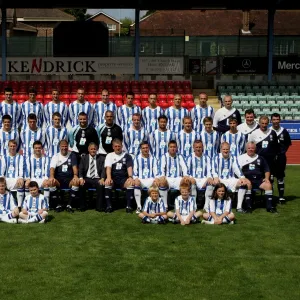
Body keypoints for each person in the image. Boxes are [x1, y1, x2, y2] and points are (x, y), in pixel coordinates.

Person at [210, 142, 251, 213]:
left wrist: (242, 177)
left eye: (227, 149)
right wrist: (216, 177)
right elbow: (214, 169)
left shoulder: (233, 157)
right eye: (224, 149)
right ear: (221, 149)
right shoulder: (216, 157)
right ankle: (217, 206)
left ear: (229, 149)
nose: (225, 151)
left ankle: (239, 207)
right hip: (220, 179)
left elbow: (236, 168)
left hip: (231, 179)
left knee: (242, 183)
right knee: (216, 183)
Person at [238, 141, 277, 213]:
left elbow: (267, 169)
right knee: (248, 184)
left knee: (268, 185)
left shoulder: (260, 158)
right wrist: (242, 178)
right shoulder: (241, 158)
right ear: (246, 149)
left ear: (255, 149)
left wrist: (267, 178)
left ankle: (270, 207)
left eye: (252, 148)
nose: (250, 149)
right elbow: (237, 170)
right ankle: (249, 207)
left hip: (259, 180)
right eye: (249, 148)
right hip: (247, 180)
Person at [157, 140, 192, 210]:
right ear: (168, 148)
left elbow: (185, 167)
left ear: (176, 148)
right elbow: (161, 168)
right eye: (171, 147)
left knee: (186, 181)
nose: (173, 148)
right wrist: (162, 177)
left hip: (178, 178)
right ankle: (165, 206)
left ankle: (186, 204)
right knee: (162, 182)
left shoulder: (180, 156)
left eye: (174, 147)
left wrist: (185, 176)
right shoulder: (164, 156)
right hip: (168, 178)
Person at [104, 138, 135, 213]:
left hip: (123, 178)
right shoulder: (109, 155)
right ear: (113, 147)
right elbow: (108, 168)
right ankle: (109, 206)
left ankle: (129, 206)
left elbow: (129, 167)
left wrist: (130, 177)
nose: (117, 148)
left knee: (130, 183)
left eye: (119, 146)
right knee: (107, 182)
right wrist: (108, 177)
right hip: (113, 178)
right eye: (116, 146)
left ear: (122, 146)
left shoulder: (127, 156)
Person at [48, 139, 79, 212]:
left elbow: (75, 167)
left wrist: (75, 175)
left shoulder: (72, 155)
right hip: (59, 180)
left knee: (76, 182)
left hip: (69, 180)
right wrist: (52, 177)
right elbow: (52, 168)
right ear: (59, 147)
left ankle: (69, 205)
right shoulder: (56, 156)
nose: (64, 148)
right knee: (51, 182)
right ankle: (58, 204)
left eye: (65, 146)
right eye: (62, 146)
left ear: (68, 147)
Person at [248, 115, 280, 183]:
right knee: (257, 178)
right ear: (259, 123)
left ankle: (269, 193)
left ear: (268, 123)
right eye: (262, 123)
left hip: (270, 161)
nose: (264, 125)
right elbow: (249, 146)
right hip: (258, 160)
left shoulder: (272, 133)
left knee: (270, 180)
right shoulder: (254, 133)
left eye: (266, 123)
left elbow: (276, 146)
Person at [133, 141, 160, 213]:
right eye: (143, 148)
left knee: (158, 182)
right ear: (140, 149)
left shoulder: (153, 158)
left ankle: (156, 205)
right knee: (136, 183)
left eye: (147, 148)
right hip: (141, 180)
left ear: (149, 148)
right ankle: (139, 206)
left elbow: (156, 170)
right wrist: (135, 179)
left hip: (151, 179)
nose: (145, 149)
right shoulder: (137, 158)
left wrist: (156, 178)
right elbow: (134, 171)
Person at [271, 113, 292, 203]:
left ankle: (281, 197)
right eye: (274, 119)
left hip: (281, 158)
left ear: (279, 120)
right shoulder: (268, 131)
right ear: (271, 120)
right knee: (270, 177)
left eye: (277, 119)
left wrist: (282, 152)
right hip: (270, 158)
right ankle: (270, 197)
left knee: (280, 177)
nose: (275, 121)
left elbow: (288, 144)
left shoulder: (284, 131)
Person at [79, 142, 106, 212]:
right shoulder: (84, 158)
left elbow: (103, 170)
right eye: (91, 149)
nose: (93, 150)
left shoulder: (102, 158)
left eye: (94, 149)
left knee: (101, 185)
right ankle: (83, 206)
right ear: (88, 150)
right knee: (81, 185)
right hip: (87, 178)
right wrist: (81, 178)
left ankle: (99, 207)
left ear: (97, 149)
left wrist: (102, 178)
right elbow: (80, 169)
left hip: (97, 178)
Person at [186, 140, 214, 205]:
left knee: (210, 183)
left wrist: (209, 178)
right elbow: (186, 171)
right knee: (191, 183)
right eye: (196, 147)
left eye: (200, 147)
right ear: (193, 148)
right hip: (193, 178)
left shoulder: (207, 158)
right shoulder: (189, 157)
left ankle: (207, 205)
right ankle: (193, 205)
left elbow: (210, 170)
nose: (198, 149)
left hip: (204, 178)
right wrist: (190, 178)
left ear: (202, 147)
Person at [1, 139, 25, 208]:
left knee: (20, 182)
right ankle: (4, 203)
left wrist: (20, 177)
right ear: (8, 147)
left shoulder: (20, 157)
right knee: (1, 184)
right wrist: (2, 178)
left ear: (16, 146)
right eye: (11, 146)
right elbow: (2, 169)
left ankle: (19, 206)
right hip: (7, 178)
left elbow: (21, 168)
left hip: (16, 178)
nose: (12, 148)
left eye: (14, 146)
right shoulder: (4, 157)